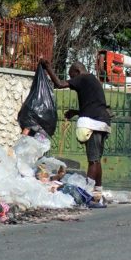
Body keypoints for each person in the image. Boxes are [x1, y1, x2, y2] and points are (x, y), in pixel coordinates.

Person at [39, 58, 111, 207]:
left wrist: (47, 67)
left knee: (92, 160)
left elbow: (59, 84)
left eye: (72, 76)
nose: (72, 80)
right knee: (96, 159)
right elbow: (94, 105)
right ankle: (97, 193)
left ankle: (87, 194)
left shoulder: (82, 78)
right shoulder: (93, 81)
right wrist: (75, 112)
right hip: (103, 121)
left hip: (93, 123)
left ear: (77, 71)